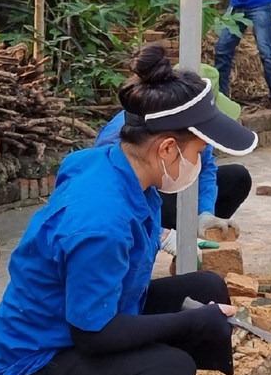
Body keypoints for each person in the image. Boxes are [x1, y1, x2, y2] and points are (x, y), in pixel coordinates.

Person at [0, 45, 259, 375]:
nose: (201, 163)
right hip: (42, 364)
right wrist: (189, 326)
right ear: (168, 148)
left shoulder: (125, 169)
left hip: (93, 317)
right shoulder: (102, 221)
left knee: (206, 290)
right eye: (199, 152)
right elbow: (94, 334)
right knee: (170, 371)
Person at [96, 63, 253, 249]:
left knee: (236, 177)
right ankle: (152, 241)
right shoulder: (123, 135)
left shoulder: (193, 130)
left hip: (161, 186)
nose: (200, 154)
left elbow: (207, 167)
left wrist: (205, 214)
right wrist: (160, 235)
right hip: (147, 196)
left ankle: (196, 244)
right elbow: (114, 190)